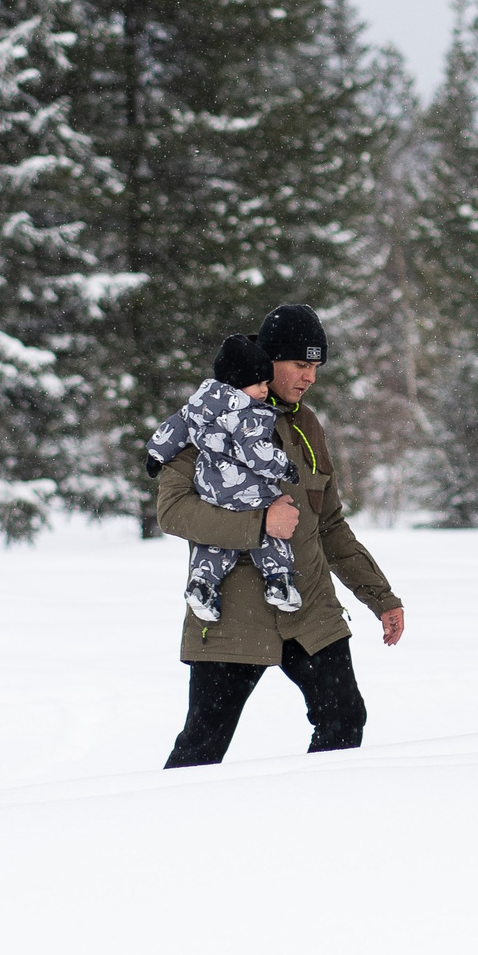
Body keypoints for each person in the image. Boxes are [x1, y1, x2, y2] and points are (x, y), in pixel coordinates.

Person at [157, 305, 407, 767]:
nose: (310, 377)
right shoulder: (209, 420)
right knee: (202, 747)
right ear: (268, 360)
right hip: (232, 613)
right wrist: (258, 525)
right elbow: (172, 511)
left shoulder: (307, 425)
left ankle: (307, 821)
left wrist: (381, 597)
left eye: (316, 367)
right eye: (300, 365)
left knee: (344, 718)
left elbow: (329, 524)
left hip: (309, 608)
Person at [143, 335, 301, 623]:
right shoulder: (247, 414)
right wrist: (283, 466)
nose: (265, 391)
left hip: (211, 487)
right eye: (260, 384)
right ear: (237, 382)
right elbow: (256, 453)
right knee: (269, 529)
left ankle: (202, 583)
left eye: (267, 383)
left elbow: (176, 427)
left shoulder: (198, 404)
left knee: (215, 543)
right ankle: (279, 581)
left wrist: (156, 453)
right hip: (247, 488)